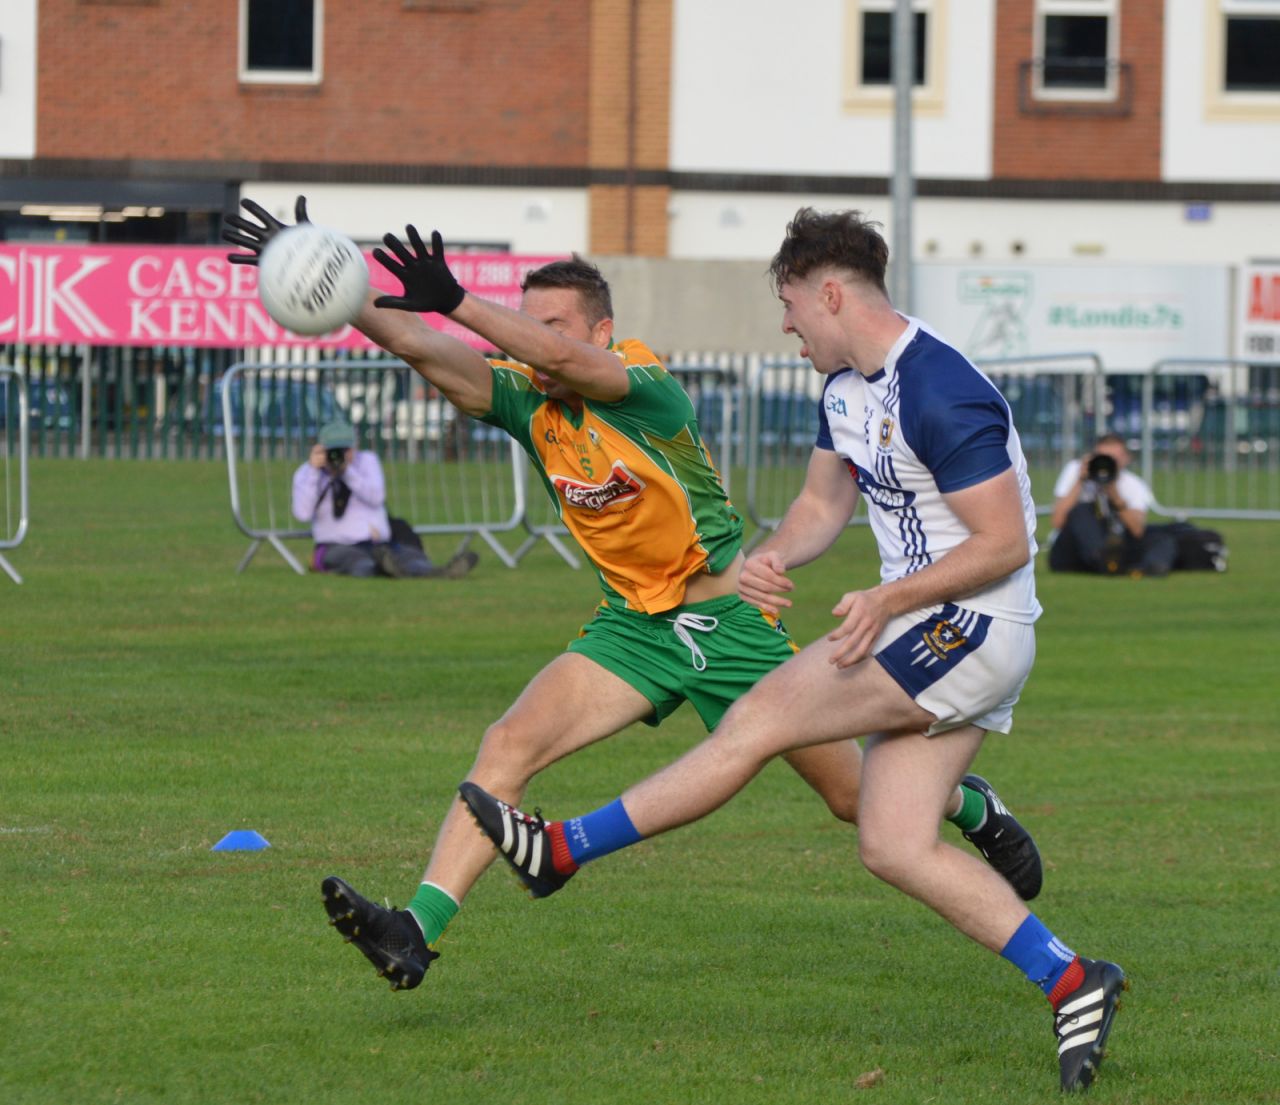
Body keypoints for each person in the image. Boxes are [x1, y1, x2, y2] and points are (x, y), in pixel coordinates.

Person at [224, 197, 1040, 999]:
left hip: (730, 625)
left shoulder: (644, 384)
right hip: (632, 628)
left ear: (602, 331)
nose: (539, 344)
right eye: (529, 324)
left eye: (557, 327)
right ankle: (417, 929)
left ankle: (967, 802)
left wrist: (464, 303)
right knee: (509, 744)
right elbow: (435, 352)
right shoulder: (527, 399)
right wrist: (338, 288)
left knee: (852, 797)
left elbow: (574, 366)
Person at [459, 208, 1127, 1093]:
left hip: (971, 629)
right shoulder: (846, 388)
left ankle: (564, 848)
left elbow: (1002, 543)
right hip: (926, 629)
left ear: (832, 293)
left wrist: (889, 595)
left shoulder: (940, 387)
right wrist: (767, 558)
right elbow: (821, 506)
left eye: (789, 306)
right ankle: (1075, 980)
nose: (785, 325)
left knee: (757, 717)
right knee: (891, 842)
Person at [290, 418, 478, 579]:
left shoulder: (366, 461)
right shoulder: (307, 474)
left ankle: (435, 572)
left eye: (345, 449)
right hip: (335, 545)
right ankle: (383, 570)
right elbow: (302, 513)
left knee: (408, 555)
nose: (340, 455)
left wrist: (347, 472)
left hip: (379, 544)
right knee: (357, 562)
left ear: (354, 446)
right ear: (321, 449)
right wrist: (315, 472)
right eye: (334, 450)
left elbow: (376, 497)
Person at [1048, 433, 1176, 577]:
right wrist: (1080, 481)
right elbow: (1057, 521)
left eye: (1112, 459)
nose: (1105, 464)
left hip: (1112, 543)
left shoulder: (1133, 484)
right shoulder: (1075, 470)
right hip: (1071, 551)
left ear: (1126, 459)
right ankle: (1103, 560)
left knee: (1161, 536)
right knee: (1083, 510)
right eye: (1102, 457)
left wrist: (1113, 492)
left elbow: (1137, 530)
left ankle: (1150, 567)